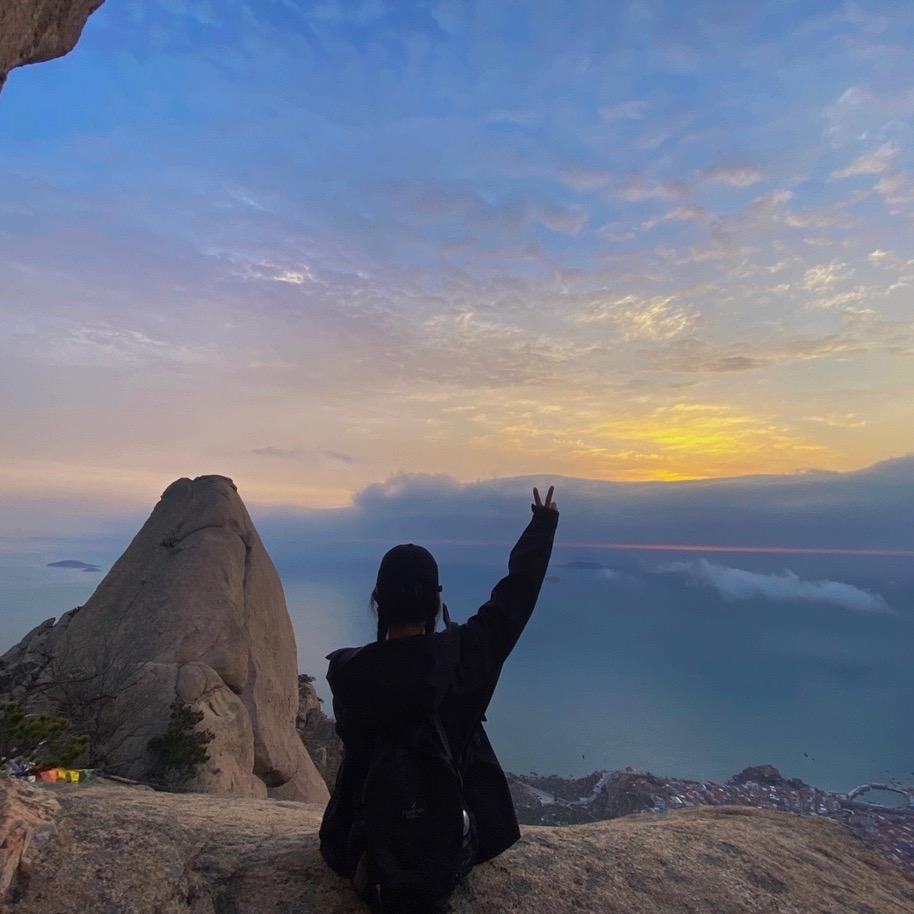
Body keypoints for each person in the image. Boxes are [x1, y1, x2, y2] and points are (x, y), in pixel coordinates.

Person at [319, 485, 560, 909]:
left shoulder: (347, 672)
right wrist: (541, 527)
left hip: (362, 841)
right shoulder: (466, 655)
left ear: (378, 601)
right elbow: (514, 598)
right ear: (436, 601)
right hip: (451, 840)